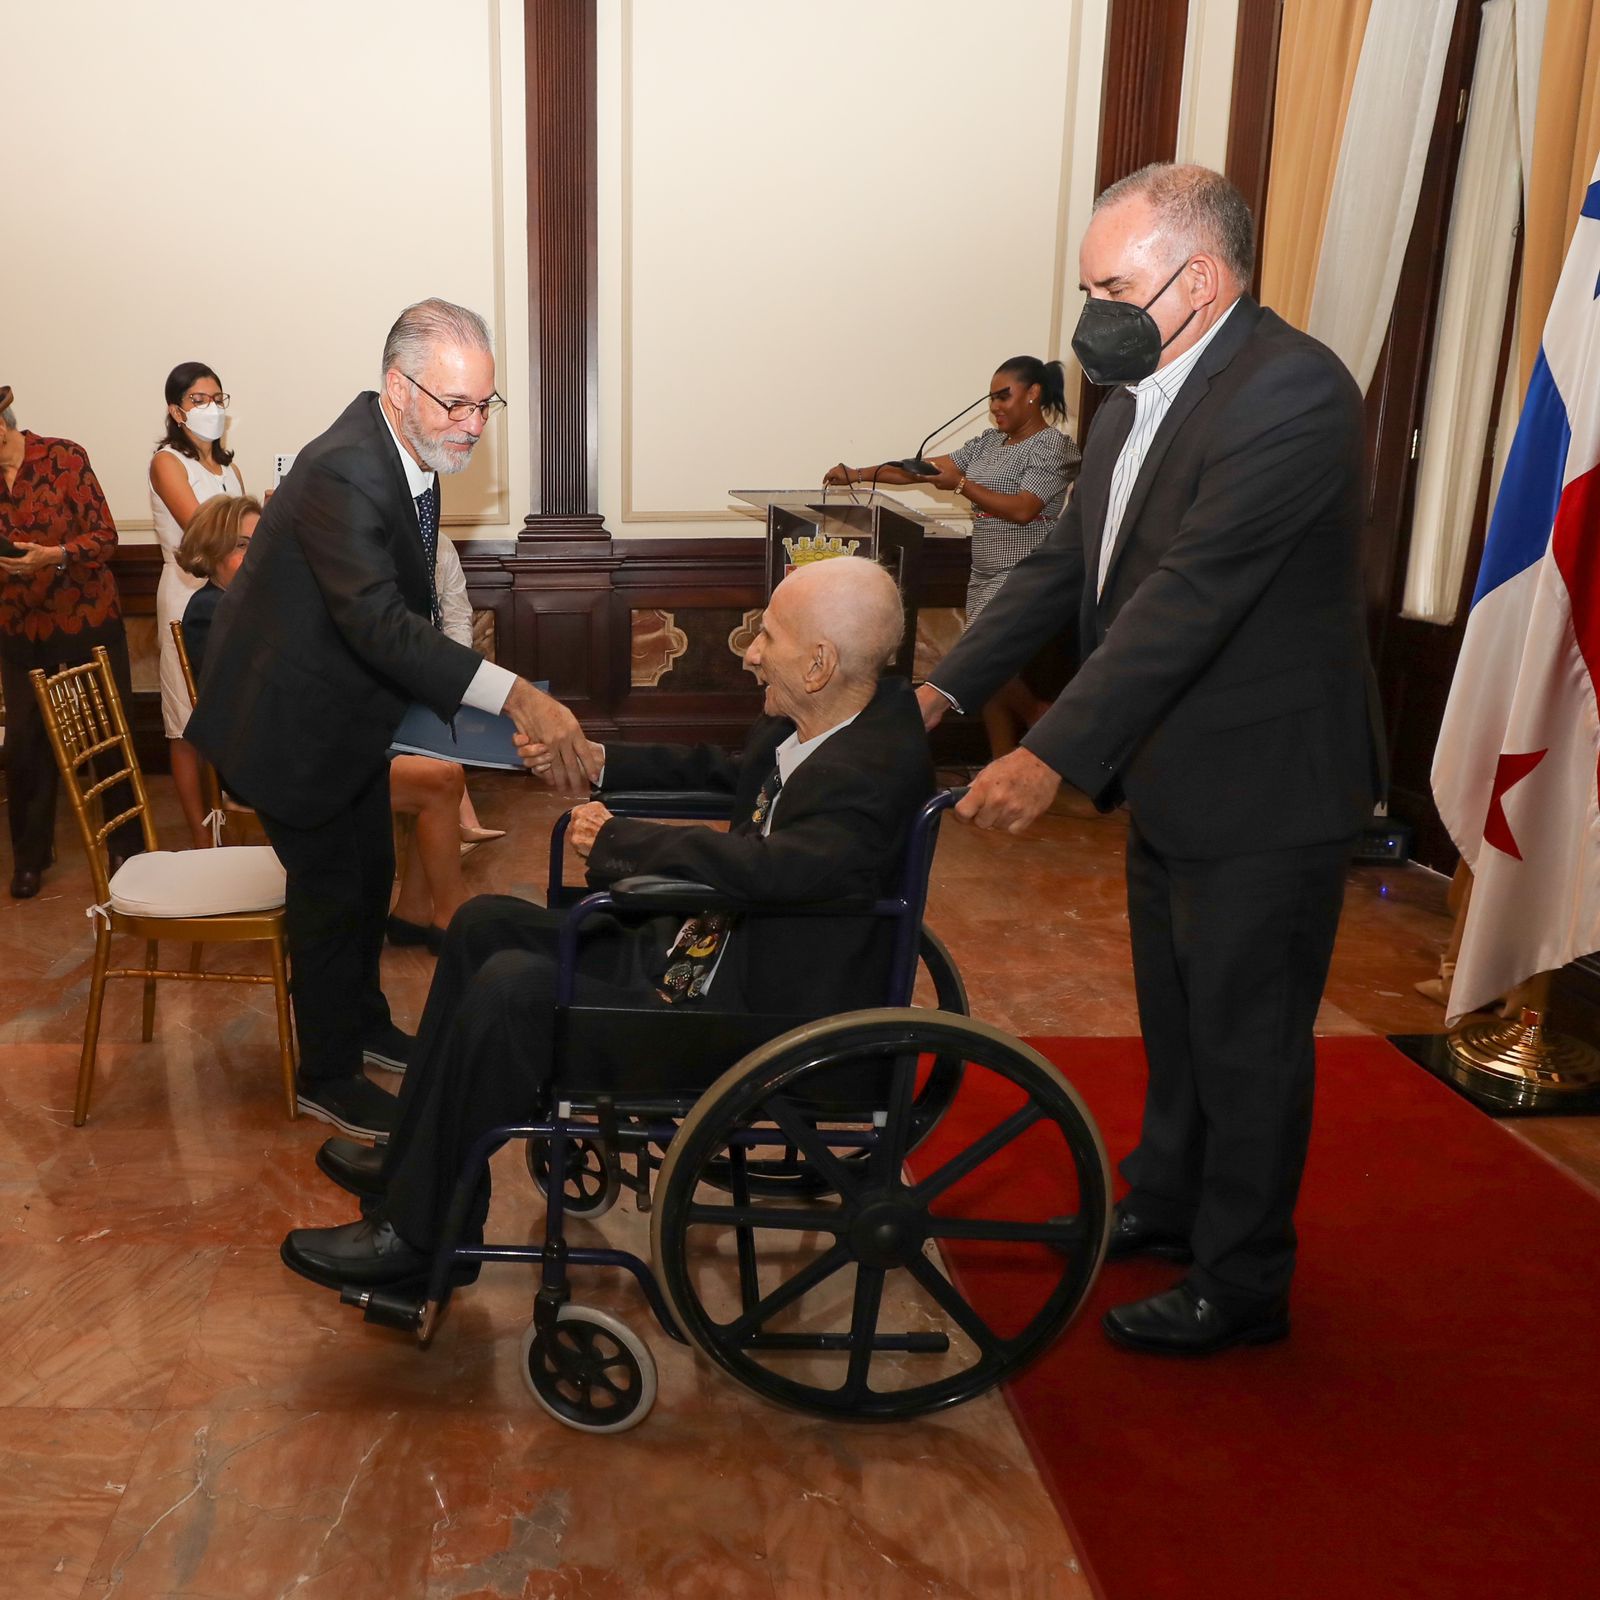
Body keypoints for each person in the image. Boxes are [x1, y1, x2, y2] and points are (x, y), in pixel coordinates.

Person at [920, 164, 1383, 1356]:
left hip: (1269, 781)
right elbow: (1065, 567)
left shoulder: (1293, 393)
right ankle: (1169, 1201)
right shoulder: (1128, 397)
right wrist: (945, 685)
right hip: (1176, 774)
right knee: (1177, 1022)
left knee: (1246, 1036)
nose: (1094, 313)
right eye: (1086, 286)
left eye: (1114, 285)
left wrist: (1052, 754)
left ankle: (1243, 1279)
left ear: (1203, 278)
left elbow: (1191, 595)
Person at [278, 556, 927, 1292]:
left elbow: (782, 871)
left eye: (766, 638)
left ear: (819, 663)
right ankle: (415, 1165)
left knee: (516, 990)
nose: (747, 652)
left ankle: (419, 1236)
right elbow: (721, 774)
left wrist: (622, 842)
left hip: (758, 1013)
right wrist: (595, 762)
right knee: (484, 924)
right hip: (715, 953)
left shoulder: (868, 768)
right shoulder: (831, 721)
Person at [186, 299, 597, 1142]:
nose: (473, 424)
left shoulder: (410, 447)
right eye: (455, 403)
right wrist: (517, 695)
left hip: (343, 724)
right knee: (332, 897)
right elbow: (377, 621)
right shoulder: (343, 466)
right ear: (396, 385)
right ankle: (327, 1073)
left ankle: (363, 1024)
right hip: (286, 727)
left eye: (485, 404)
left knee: (370, 875)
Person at [826, 357, 1080, 755]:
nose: (996, 406)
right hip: (983, 571)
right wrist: (859, 473)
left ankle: (1037, 713)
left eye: (1004, 396)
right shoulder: (989, 443)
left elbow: (1023, 508)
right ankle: (998, 761)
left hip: (1024, 573)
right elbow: (920, 472)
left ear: (1033, 394)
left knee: (983, 663)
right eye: (992, 398)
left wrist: (962, 484)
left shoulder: (1054, 447)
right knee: (990, 672)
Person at [0, 385, 143, 899]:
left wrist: (53, 554)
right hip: (19, 630)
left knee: (107, 733)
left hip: (84, 621)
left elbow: (105, 538)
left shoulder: (64, 458)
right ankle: (32, 857)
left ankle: (127, 846)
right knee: (23, 748)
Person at [150, 363, 244, 848]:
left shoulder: (227, 467)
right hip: (187, 598)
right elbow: (207, 532)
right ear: (176, 410)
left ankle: (231, 820)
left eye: (217, 398)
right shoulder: (168, 462)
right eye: (198, 400)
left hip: (231, 601)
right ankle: (200, 839)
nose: (211, 408)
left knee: (225, 712)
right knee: (186, 725)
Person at [177, 493, 261, 677]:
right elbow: (240, 682)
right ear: (212, 552)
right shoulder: (208, 607)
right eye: (241, 545)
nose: (256, 555)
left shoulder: (258, 600)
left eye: (261, 543)